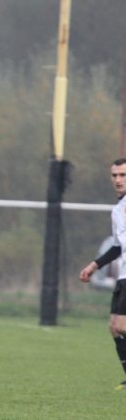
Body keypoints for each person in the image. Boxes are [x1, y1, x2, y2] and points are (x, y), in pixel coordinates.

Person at [78, 157, 126, 390]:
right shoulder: (117, 210)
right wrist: (94, 265)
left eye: (123, 175)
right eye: (115, 175)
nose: (118, 180)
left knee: (124, 325)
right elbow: (118, 247)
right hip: (124, 276)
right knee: (115, 327)